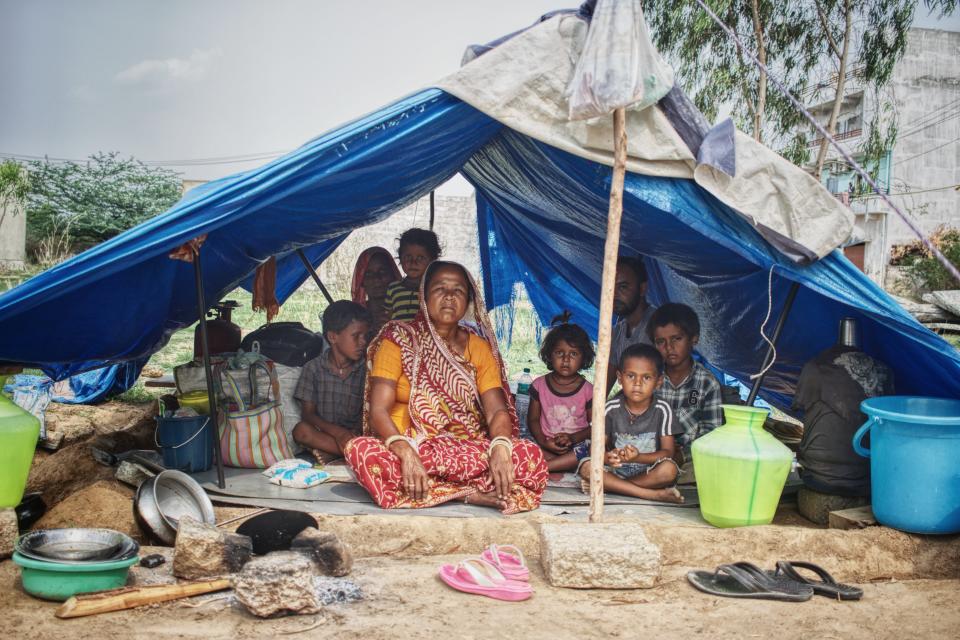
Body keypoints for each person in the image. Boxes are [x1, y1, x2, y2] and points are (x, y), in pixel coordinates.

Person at [344, 260, 548, 514]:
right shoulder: (397, 339)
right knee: (362, 450)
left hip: (469, 449)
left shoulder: (479, 348)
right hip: (413, 447)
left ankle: (437, 490)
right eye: (440, 289)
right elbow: (378, 411)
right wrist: (406, 452)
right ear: (424, 295)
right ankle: (471, 492)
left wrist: (500, 447)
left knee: (528, 455)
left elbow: (496, 411)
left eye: (458, 291)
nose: (449, 297)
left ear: (469, 301)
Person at [575, 344, 683, 503]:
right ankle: (650, 495)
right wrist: (607, 457)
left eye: (646, 377)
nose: (637, 383)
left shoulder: (663, 409)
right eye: (631, 376)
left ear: (659, 381)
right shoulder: (610, 409)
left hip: (648, 472)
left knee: (669, 470)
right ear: (620, 378)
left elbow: (667, 453)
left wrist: (638, 457)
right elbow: (595, 449)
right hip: (615, 470)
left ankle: (612, 487)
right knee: (587, 467)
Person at [292, 301, 372, 460]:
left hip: (357, 435)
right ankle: (349, 454)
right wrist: (337, 433)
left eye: (365, 336)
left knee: (373, 438)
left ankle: (334, 453)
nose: (363, 342)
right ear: (332, 337)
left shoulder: (368, 369)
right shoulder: (313, 368)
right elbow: (308, 415)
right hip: (326, 433)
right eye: (356, 336)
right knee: (301, 431)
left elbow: (370, 411)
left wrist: (353, 432)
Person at [647, 303, 722, 460]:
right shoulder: (648, 378)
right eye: (661, 342)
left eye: (677, 339)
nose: (669, 347)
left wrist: (682, 454)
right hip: (647, 452)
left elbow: (711, 432)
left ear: (694, 339)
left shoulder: (707, 383)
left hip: (690, 458)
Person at [525, 314, 595, 473]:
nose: (565, 359)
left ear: (583, 358)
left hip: (575, 448)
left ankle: (542, 469)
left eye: (573, 354)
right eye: (559, 353)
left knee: (588, 452)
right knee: (525, 448)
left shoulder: (588, 390)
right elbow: (533, 420)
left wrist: (572, 439)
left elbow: (595, 427)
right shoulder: (539, 385)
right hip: (546, 445)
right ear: (550, 355)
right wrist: (543, 441)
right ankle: (558, 464)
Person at [606, 255, 658, 395]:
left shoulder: (660, 327)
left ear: (642, 289)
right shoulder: (618, 332)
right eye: (610, 287)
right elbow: (603, 388)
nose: (614, 294)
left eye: (623, 287)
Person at [385, 228, 441, 322]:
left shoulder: (433, 289)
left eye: (420, 258)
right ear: (400, 258)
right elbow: (388, 317)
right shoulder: (393, 288)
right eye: (408, 257)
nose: (413, 263)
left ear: (432, 261)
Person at [351, 246, 402, 334]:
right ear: (361, 280)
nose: (376, 279)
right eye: (368, 274)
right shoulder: (353, 317)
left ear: (393, 275)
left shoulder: (407, 309)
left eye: (383, 271)